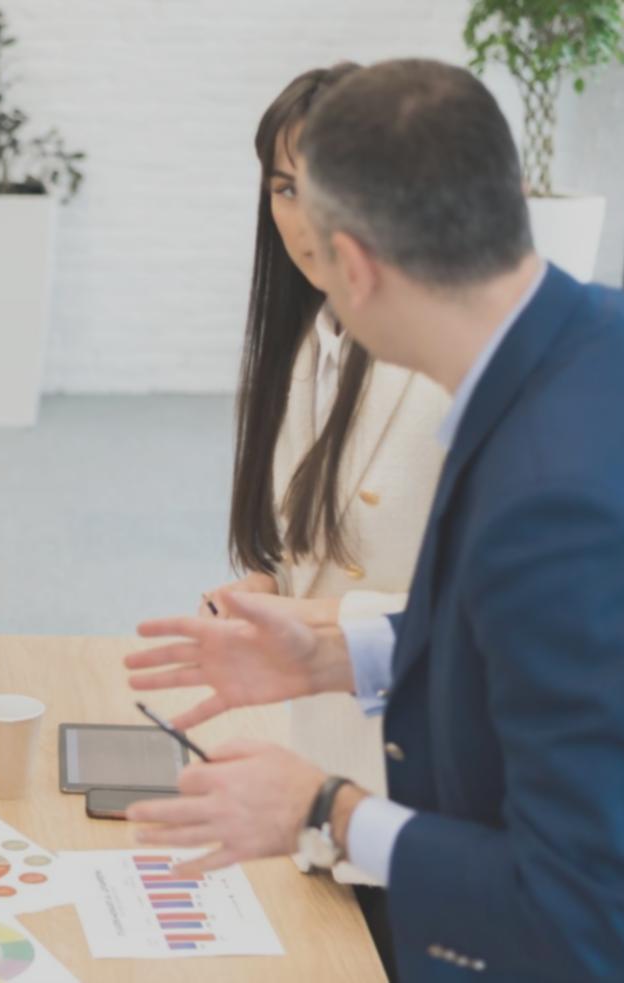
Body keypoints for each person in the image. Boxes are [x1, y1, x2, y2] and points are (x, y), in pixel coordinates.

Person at [125, 59, 624, 981]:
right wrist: (338, 652)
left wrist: (321, 806)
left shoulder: (549, 500)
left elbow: (582, 908)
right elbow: (527, 637)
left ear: (352, 267)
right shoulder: (610, 335)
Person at [214, 63, 448, 825]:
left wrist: (315, 621)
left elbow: (492, 619)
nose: (304, 216)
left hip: (430, 769)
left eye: (330, 182)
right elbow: (304, 550)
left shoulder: (447, 364)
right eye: (284, 187)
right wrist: (266, 591)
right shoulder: (301, 347)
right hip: (323, 751)